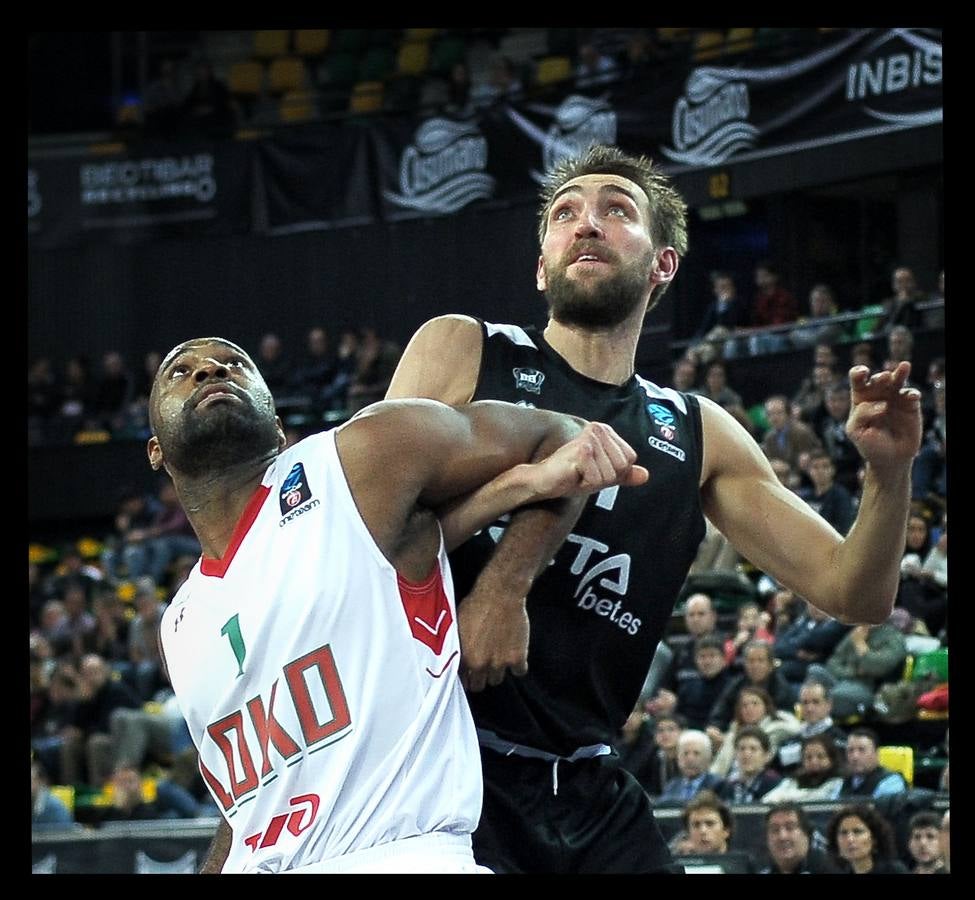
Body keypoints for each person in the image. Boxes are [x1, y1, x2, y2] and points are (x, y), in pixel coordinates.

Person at [385, 144, 922, 874]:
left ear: (662, 264)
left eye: (616, 210)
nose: (586, 223)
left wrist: (888, 476)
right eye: (565, 212)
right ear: (540, 265)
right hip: (441, 766)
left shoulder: (696, 430)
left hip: (586, 786)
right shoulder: (463, 349)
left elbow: (853, 592)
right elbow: (368, 535)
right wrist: (499, 580)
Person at [146, 335, 648, 874]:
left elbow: (563, 438)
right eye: (181, 371)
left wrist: (503, 591)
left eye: (234, 364)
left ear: (276, 426)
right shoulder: (179, 623)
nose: (210, 372)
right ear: (156, 450)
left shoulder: (357, 460)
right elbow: (246, 806)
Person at [773, 679, 847, 773]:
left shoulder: (838, 738)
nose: (809, 708)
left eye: (815, 702)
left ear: (828, 705)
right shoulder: (792, 739)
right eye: (805, 703)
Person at [826, 803, 909, 874]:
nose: (850, 839)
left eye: (857, 832)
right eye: (843, 833)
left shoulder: (894, 870)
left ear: (874, 838)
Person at [759, 802, 841, 874]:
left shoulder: (829, 868)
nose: (782, 836)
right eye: (775, 830)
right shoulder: (762, 869)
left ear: (806, 835)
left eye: (790, 828)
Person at [761, 733, 844, 802]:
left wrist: (789, 797)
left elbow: (821, 798)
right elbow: (767, 799)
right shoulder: (793, 781)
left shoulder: (839, 781)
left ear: (831, 759)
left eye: (820, 756)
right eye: (808, 757)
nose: (814, 761)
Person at [716, 725, 782, 803]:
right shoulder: (725, 787)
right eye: (742, 749)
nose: (746, 754)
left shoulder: (776, 786)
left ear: (767, 755)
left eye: (753, 749)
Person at [657, 729, 724, 806]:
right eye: (685, 753)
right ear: (678, 758)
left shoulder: (718, 785)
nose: (690, 759)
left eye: (696, 753)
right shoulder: (672, 786)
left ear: (708, 758)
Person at [838, 727, 908, 799]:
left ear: (876, 754)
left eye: (862, 750)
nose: (855, 756)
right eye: (850, 750)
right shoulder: (840, 783)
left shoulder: (891, 781)